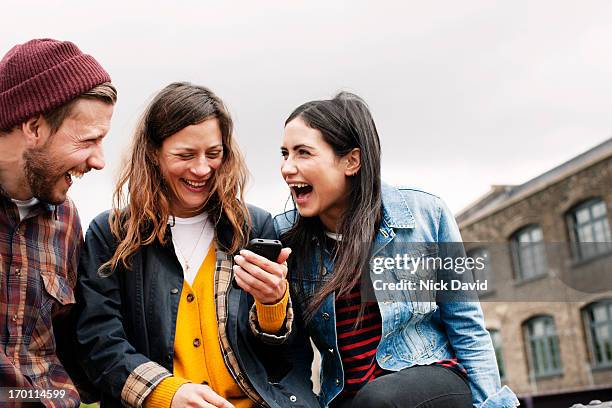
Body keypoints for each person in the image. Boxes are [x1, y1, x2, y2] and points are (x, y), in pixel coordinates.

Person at [269, 92, 520, 408]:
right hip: (350, 397)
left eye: (303, 153)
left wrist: (490, 405)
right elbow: (289, 351)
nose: (287, 168)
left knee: (379, 399)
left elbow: (467, 326)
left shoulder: (425, 214)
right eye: (284, 154)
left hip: (433, 380)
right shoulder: (285, 238)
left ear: (351, 161)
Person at [76, 82, 318, 408]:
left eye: (213, 154)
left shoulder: (253, 227)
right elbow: (98, 344)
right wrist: (166, 393)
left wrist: (272, 303)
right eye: (185, 155)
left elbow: (283, 359)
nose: (202, 169)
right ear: (153, 153)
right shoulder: (111, 234)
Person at [0, 39, 116, 407]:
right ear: (34, 127)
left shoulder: (66, 220)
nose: (99, 161)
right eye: (88, 141)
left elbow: (70, 349)